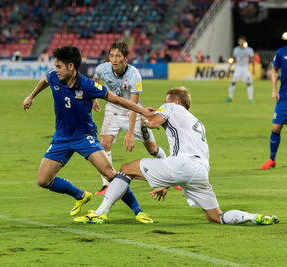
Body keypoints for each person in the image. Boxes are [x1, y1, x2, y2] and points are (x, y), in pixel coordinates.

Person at [75, 86, 279, 225]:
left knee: (125, 169)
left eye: (165, 101)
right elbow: (184, 161)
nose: (162, 105)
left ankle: (100, 214)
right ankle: (254, 217)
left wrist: (143, 115)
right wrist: (165, 183)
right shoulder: (197, 123)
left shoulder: (172, 107)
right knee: (216, 216)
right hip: (200, 171)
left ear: (175, 101)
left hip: (183, 165)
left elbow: (154, 123)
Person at [23, 46, 154, 223]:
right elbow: (44, 80)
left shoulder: (87, 85)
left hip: (84, 136)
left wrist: (143, 111)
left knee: (109, 174)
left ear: (71, 66)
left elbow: (119, 100)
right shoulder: (55, 76)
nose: (56, 70)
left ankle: (138, 211)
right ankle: (80, 195)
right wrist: (31, 97)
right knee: (43, 180)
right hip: (61, 137)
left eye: (59, 66)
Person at [92, 41, 167, 195]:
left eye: (118, 56)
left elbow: (133, 106)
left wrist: (130, 133)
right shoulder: (103, 68)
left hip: (133, 112)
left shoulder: (134, 75)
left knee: (152, 149)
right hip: (112, 110)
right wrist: (94, 99)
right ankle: (107, 185)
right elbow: (95, 80)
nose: (114, 59)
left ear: (125, 58)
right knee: (104, 144)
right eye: (111, 55)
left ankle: (168, 172)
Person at [260, 45, 287, 170]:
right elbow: (274, 70)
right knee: (276, 127)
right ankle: (272, 159)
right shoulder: (281, 52)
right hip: (283, 98)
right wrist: (274, 90)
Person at [226, 36, 255, 103]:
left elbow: (252, 59)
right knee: (233, 82)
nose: (240, 42)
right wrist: (230, 66)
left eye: (241, 41)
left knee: (249, 83)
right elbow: (234, 58)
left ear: (244, 41)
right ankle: (230, 97)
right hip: (238, 68)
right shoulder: (236, 49)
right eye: (239, 41)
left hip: (245, 69)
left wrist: (253, 69)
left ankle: (250, 98)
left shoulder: (249, 50)